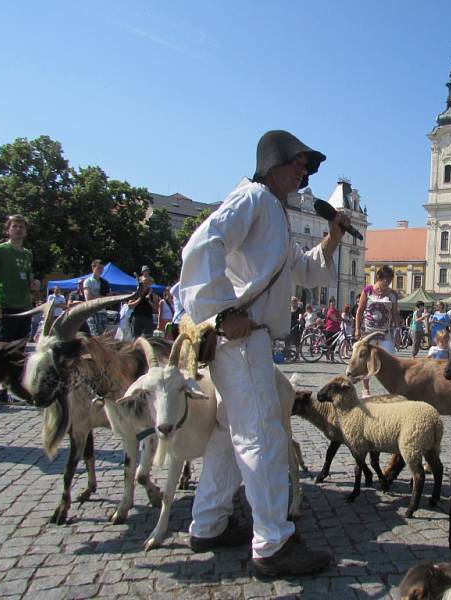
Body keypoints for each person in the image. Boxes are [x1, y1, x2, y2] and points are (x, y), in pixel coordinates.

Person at [178, 130, 344, 576]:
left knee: (229, 435)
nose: (304, 172)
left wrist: (332, 237)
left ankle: (208, 523)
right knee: (263, 437)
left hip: (246, 340)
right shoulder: (253, 198)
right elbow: (201, 245)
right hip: (242, 339)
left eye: (307, 167)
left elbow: (303, 270)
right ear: (274, 162)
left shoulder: (274, 211)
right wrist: (219, 314)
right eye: (299, 163)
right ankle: (273, 544)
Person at [355, 265, 399, 397]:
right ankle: (365, 389)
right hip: (368, 332)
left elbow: (395, 313)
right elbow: (360, 311)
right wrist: (357, 329)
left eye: (390, 281)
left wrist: (397, 333)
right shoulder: (367, 291)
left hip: (386, 333)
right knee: (366, 360)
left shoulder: (393, 294)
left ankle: (392, 389)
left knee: (390, 360)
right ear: (379, 278)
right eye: (386, 281)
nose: (388, 284)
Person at [0, 215, 33, 343]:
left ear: (25, 232)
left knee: (19, 354)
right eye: (14, 226)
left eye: (21, 227)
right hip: (5, 309)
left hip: (25, 310)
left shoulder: (28, 254)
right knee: (2, 353)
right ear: (8, 230)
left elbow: (28, 281)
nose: (18, 229)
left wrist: (34, 283)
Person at [83, 259, 111, 335]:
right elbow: (88, 297)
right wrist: (103, 298)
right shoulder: (88, 281)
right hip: (92, 312)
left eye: (102, 268)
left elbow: (108, 298)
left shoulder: (105, 282)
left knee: (105, 337)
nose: (101, 270)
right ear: (93, 268)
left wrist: (106, 297)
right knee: (96, 337)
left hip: (103, 312)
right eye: (99, 268)